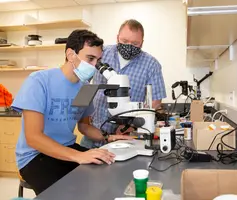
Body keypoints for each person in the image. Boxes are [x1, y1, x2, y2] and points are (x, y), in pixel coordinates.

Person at [11, 29, 131, 195]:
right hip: (35, 156)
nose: (94, 65)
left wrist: (108, 137)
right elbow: (33, 137)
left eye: (98, 60)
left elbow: (84, 126)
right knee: (68, 192)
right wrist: (78, 156)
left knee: (108, 171)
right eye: (90, 58)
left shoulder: (84, 89)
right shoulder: (39, 81)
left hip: (67, 148)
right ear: (70, 54)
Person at [80, 19, 167, 149]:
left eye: (135, 43)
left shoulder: (151, 65)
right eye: (125, 41)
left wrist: (129, 124)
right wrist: (82, 118)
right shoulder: (102, 54)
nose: (129, 46)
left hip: (125, 135)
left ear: (142, 43)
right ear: (117, 37)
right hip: (93, 132)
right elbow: (84, 83)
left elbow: (155, 101)